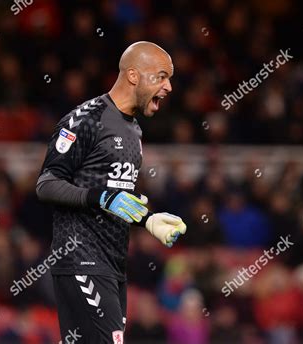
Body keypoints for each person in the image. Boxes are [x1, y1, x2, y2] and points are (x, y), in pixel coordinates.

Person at [36, 41, 187, 344]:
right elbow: (47, 184)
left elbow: (116, 198)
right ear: (133, 75)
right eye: (161, 76)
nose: (169, 87)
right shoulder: (86, 119)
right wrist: (101, 197)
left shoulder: (134, 131)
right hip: (81, 259)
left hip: (114, 266)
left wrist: (147, 219)